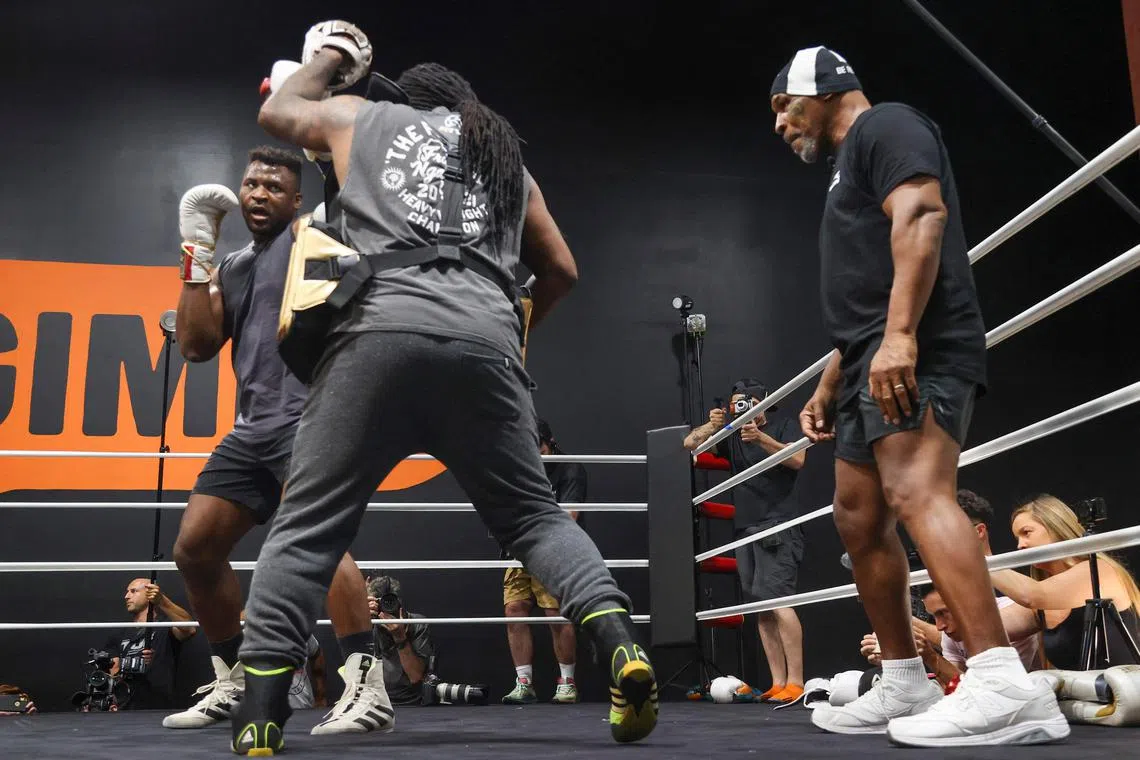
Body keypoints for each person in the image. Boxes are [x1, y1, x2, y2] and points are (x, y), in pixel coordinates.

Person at [232, 22, 657, 755]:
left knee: (308, 525)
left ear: (408, 99)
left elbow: (278, 110)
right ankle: (620, 646)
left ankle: (261, 713)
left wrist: (334, 51)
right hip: (486, 344)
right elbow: (561, 271)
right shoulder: (505, 160)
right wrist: (508, 331)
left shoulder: (362, 116)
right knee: (534, 519)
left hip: (377, 336)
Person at [770, 45, 1066, 745]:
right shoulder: (847, 166)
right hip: (867, 360)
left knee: (917, 491)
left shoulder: (886, 126)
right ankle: (905, 679)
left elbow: (923, 216)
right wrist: (831, 380)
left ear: (828, 90)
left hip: (921, 349)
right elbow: (867, 288)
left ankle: (1003, 685)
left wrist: (901, 335)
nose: (779, 123)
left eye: (785, 105)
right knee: (857, 516)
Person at [165, 146, 385, 733]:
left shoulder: (310, 238)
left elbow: (348, 210)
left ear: (296, 199)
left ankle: (367, 687)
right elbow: (195, 345)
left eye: (273, 187)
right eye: (251, 184)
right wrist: (196, 254)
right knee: (195, 548)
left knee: (317, 543)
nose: (258, 194)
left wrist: (326, 150)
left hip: (311, 419)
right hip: (252, 431)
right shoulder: (235, 266)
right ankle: (235, 678)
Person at [683, 379, 806, 703]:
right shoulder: (732, 435)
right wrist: (713, 426)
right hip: (746, 528)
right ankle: (778, 682)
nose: (743, 409)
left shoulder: (783, 425)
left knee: (779, 602)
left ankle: (796, 681)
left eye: (748, 402)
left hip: (778, 525)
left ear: (762, 402)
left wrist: (761, 437)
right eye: (737, 403)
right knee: (761, 608)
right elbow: (690, 444)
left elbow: (798, 459)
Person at [861, 490, 1042, 686]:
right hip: (971, 688)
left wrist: (905, 636)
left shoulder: (1017, 590)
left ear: (978, 532)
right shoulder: (943, 583)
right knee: (865, 681)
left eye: (944, 534)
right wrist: (896, 647)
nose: (935, 545)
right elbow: (952, 652)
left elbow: (965, 631)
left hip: (1014, 689)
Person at [991, 494, 1140, 670]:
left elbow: (1031, 595)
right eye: (1017, 538)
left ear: (1055, 527)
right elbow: (986, 627)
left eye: (1026, 532)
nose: (1020, 545)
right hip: (1080, 688)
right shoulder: (1041, 605)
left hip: (1120, 687)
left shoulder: (1099, 570)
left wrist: (978, 559)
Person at [501, 418, 587, 705]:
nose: (534, 457)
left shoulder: (570, 468)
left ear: (550, 443)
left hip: (555, 550)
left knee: (555, 614)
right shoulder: (517, 468)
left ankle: (567, 682)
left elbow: (570, 516)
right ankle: (524, 682)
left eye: (539, 450)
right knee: (514, 610)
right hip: (519, 550)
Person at [109, 579, 197, 710]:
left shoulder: (165, 627)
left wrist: (162, 601)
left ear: (149, 594)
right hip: (124, 707)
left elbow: (190, 629)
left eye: (133, 591)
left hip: (157, 706)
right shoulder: (119, 633)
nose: (126, 596)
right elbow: (112, 671)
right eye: (127, 592)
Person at [366, 576, 434, 706]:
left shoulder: (416, 623)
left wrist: (400, 638)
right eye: (382, 602)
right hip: (374, 702)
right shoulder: (369, 623)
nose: (387, 606)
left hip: (411, 702)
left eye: (391, 601)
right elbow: (355, 671)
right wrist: (362, 621)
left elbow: (415, 677)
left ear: (400, 602)